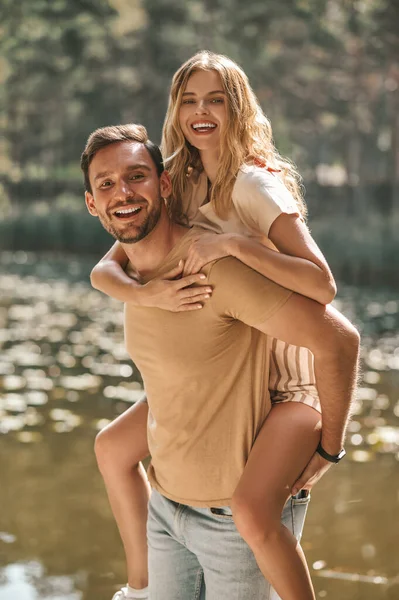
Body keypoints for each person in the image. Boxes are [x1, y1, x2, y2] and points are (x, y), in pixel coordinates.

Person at [82, 123, 359, 600]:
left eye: (136, 177)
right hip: (167, 513)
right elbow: (101, 272)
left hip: (229, 524)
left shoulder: (212, 268)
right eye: (105, 184)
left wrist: (329, 448)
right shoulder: (132, 270)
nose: (122, 193)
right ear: (91, 203)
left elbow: (339, 341)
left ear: (164, 184)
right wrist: (144, 293)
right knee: (111, 447)